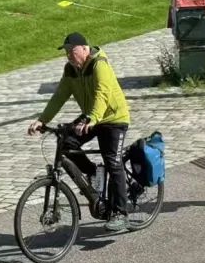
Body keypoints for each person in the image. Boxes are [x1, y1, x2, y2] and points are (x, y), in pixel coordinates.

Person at [27, 32, 132, 233]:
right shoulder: (71, 69)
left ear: (84, 48)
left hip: (113, 119)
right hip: (91, 116)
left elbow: (102, 94)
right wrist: (42, 120)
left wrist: (92, 118)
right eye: (66, 52)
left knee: (113, 162)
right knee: (66, 143)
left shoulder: (99, 65)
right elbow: (59, 96)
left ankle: (121, 213)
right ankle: (92, 173)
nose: (68, 55)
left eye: (71, 50)